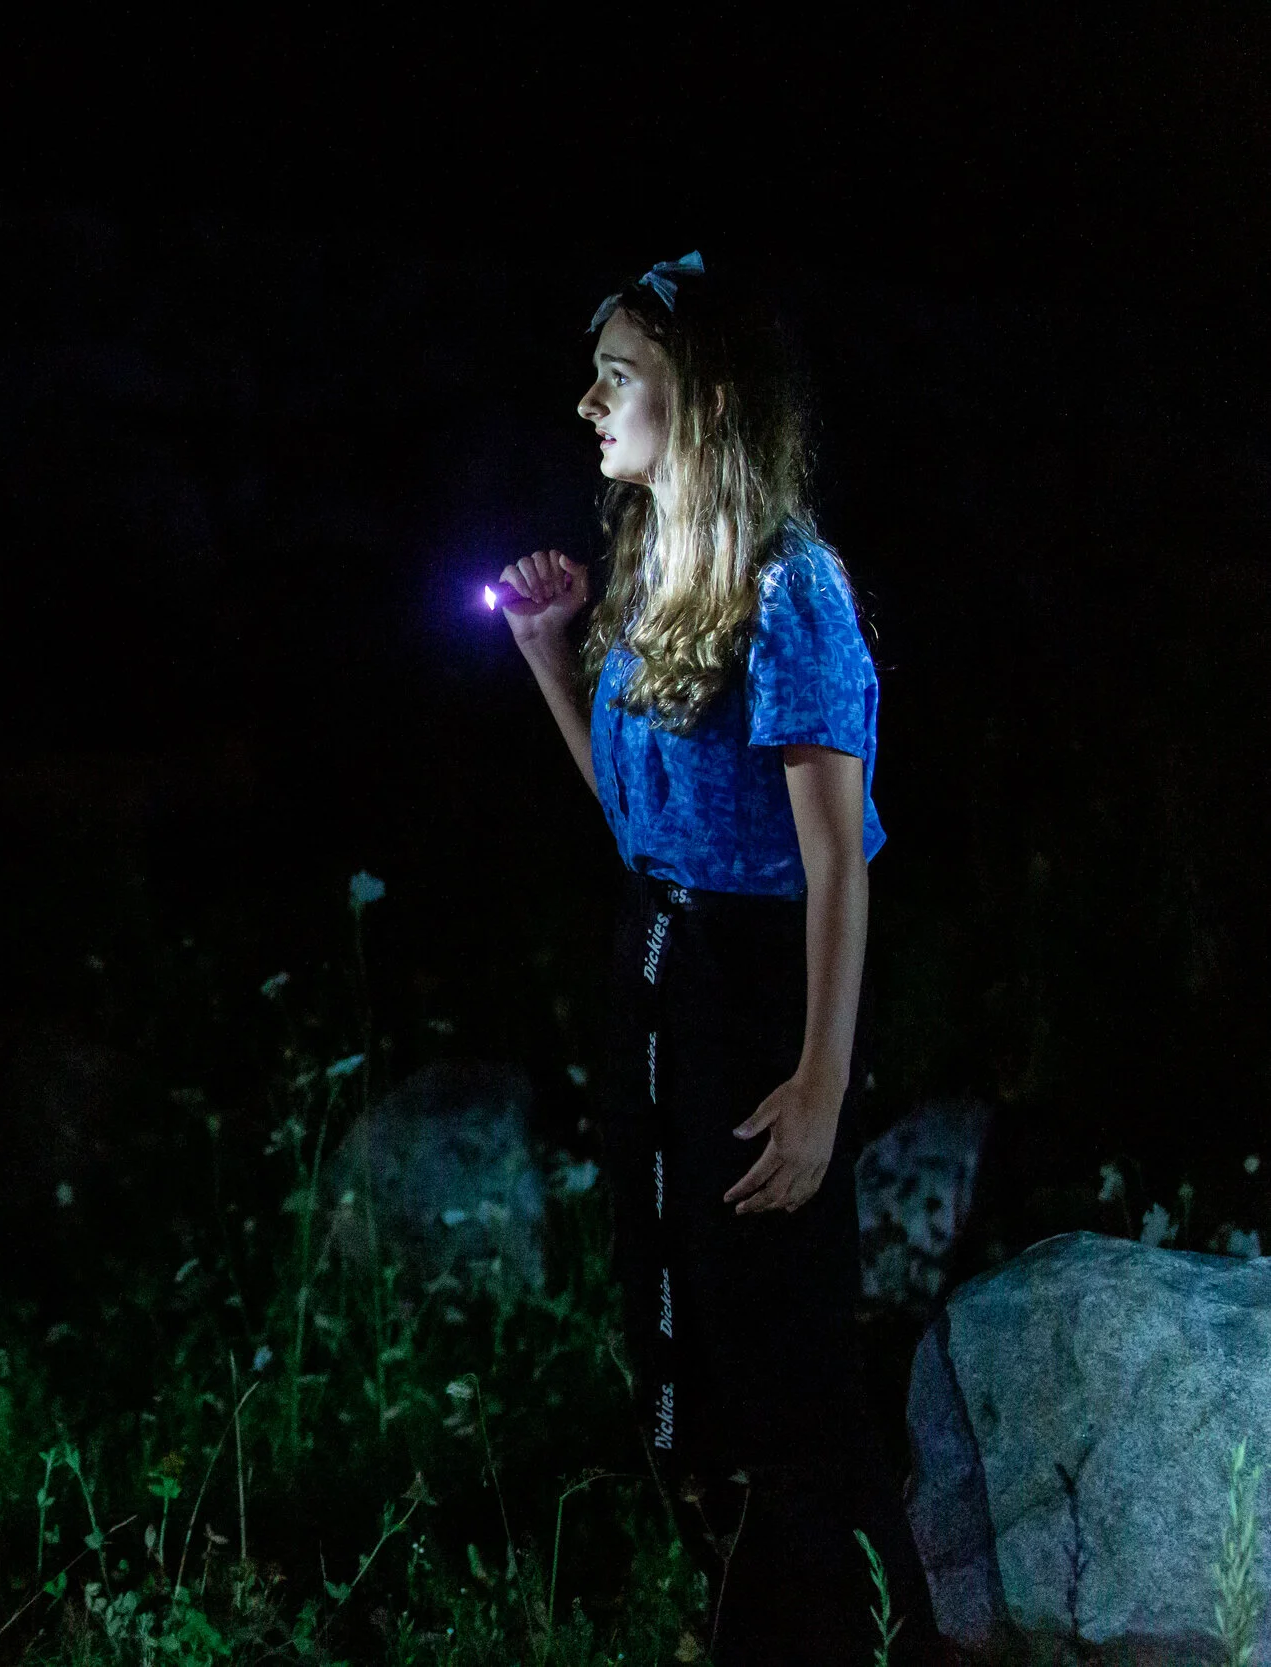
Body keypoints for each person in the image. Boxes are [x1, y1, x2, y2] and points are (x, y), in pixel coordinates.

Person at [496, 254, 936, 1661]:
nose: (588, 404)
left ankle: (869, 1637)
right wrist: (547, 652)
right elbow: (644, 824)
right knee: (683, 1328)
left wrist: (819, 1085)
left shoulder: (791, 589)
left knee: (786, 1357)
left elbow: (836, 863)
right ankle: (751, 1621)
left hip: (755, 993)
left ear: (711, 397)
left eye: (618, 377)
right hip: (660, 974)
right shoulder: (659, 570)